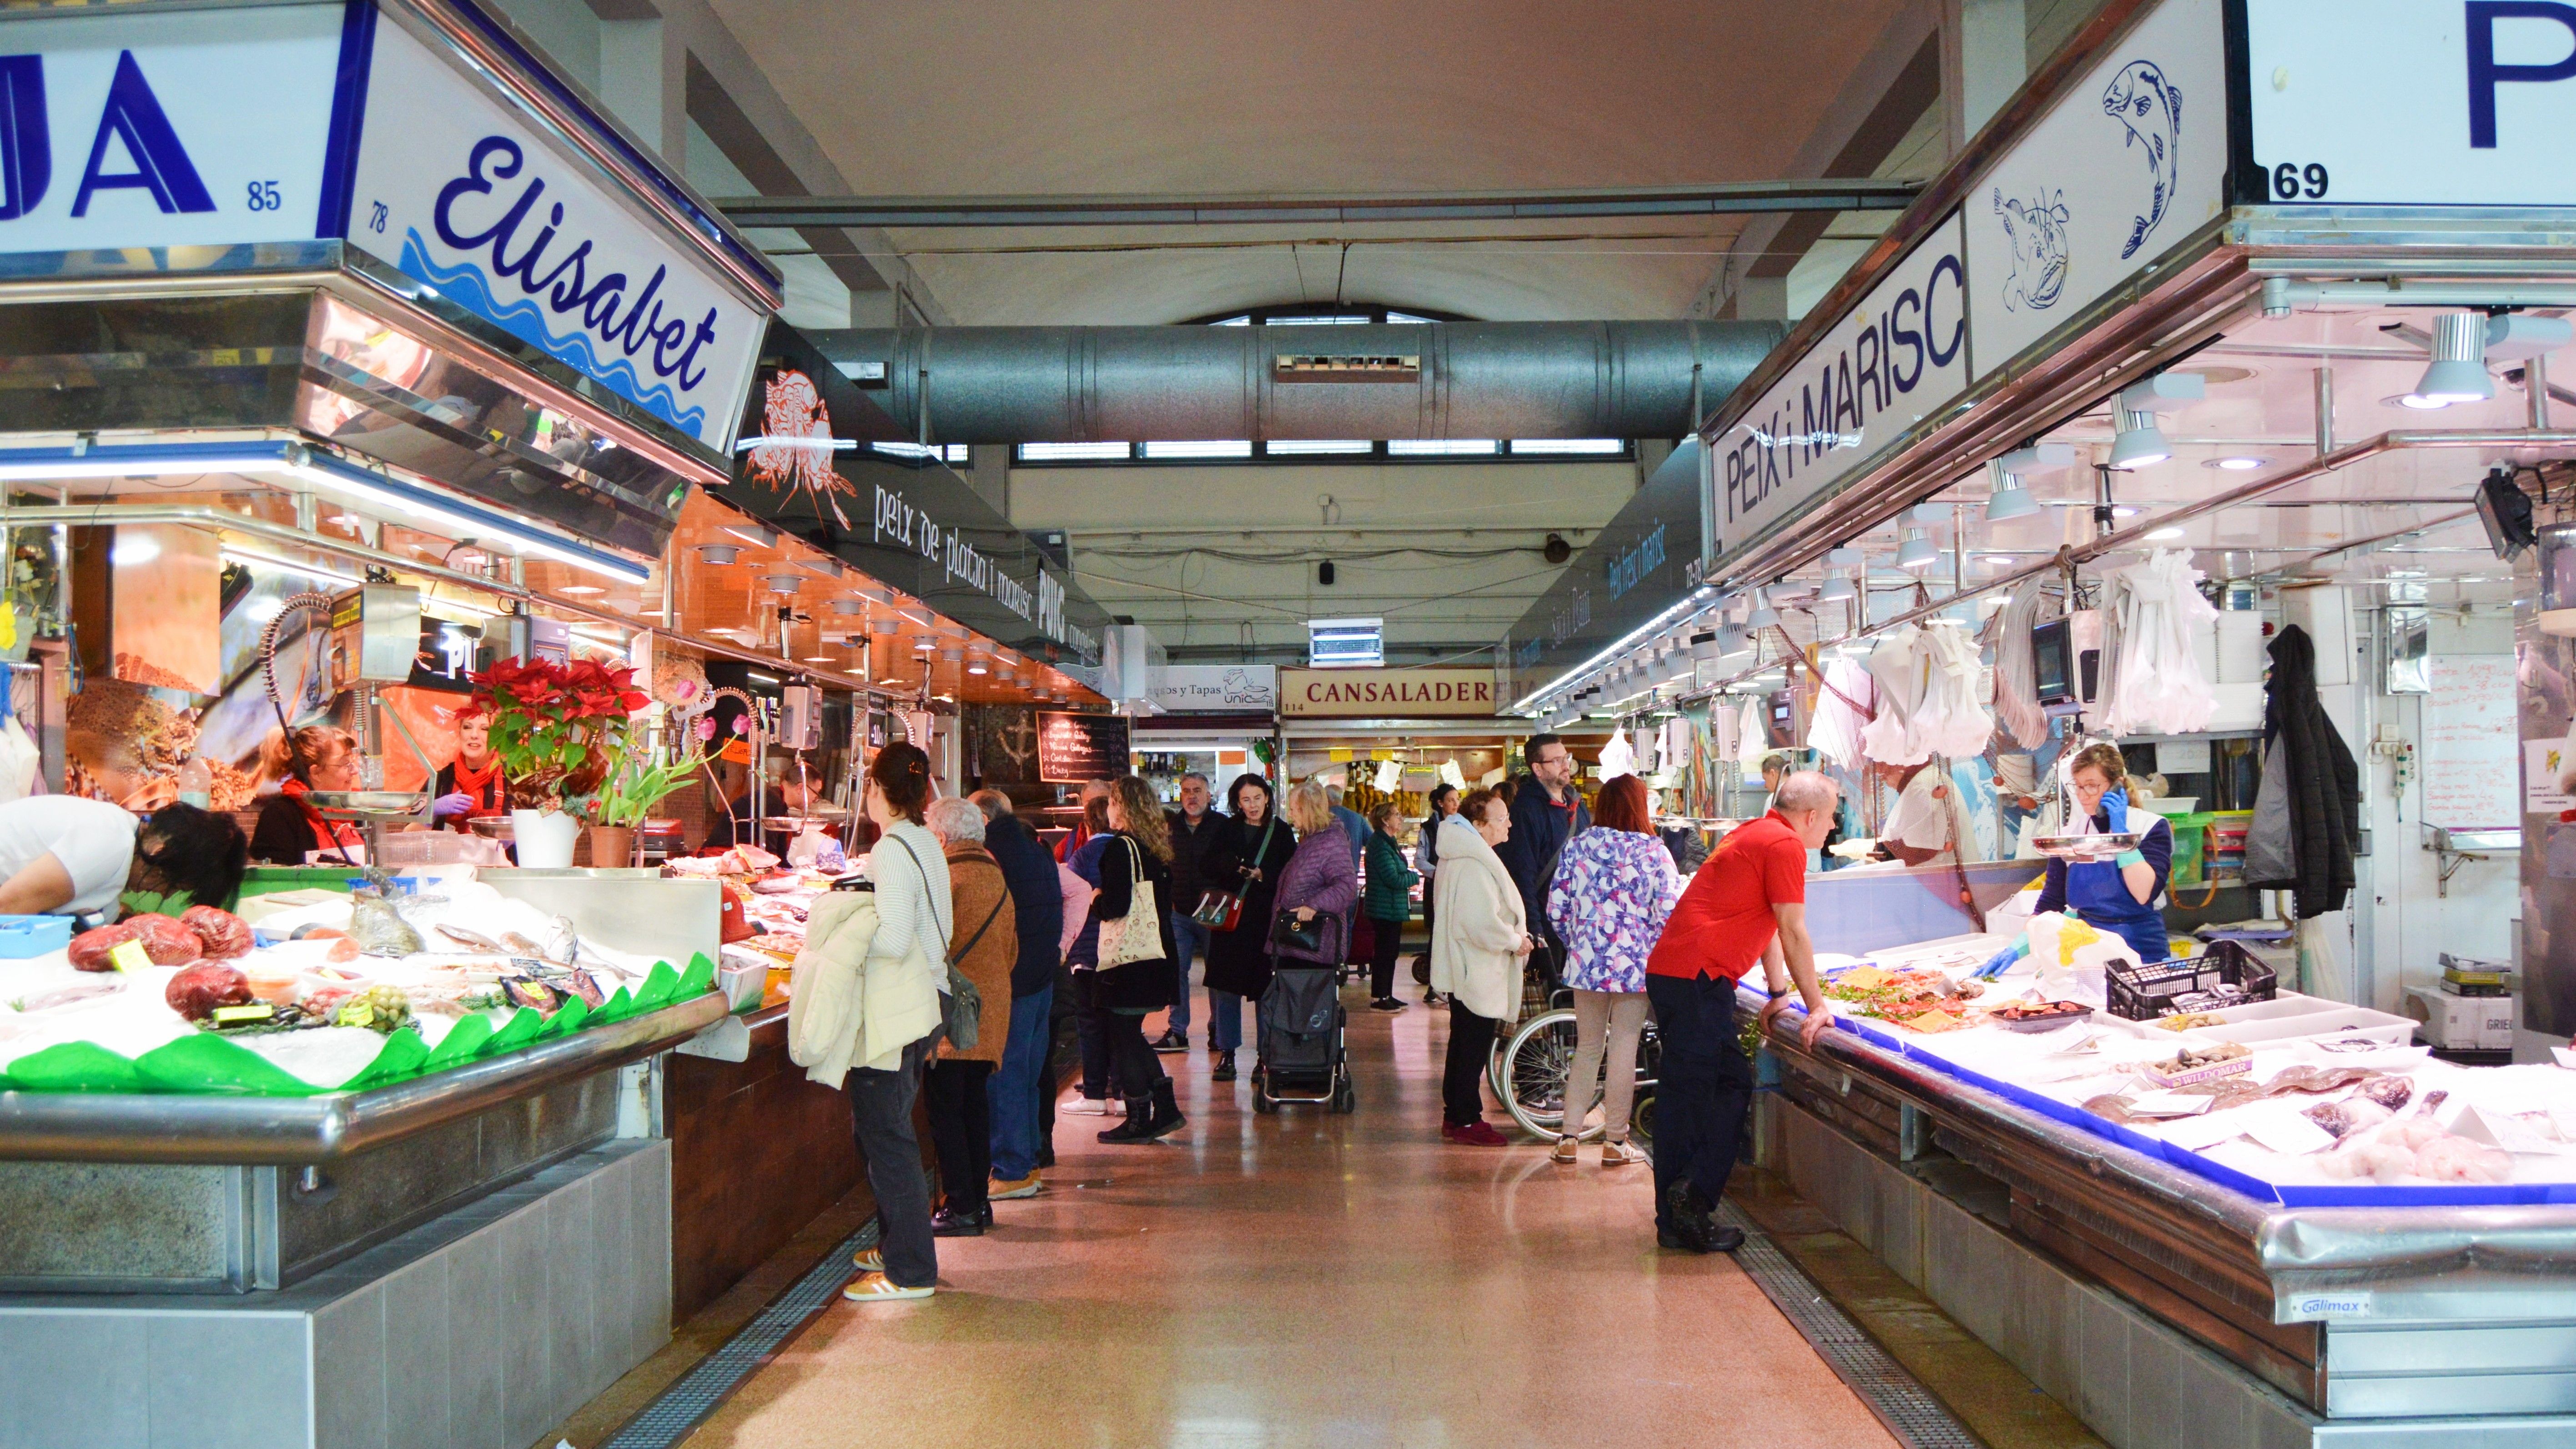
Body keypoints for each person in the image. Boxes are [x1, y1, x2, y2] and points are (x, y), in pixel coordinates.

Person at [1645, 770, 1839, 1255]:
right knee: (1697, 1095)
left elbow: (1769, 923)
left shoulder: (1755, 832)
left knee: (1724, 1082)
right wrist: (1817, 1007)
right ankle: (1682, 1213)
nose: (1833, 828)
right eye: (1832, 817)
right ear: (1812, 816)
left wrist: (1779, 992)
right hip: (1698, 979)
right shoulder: (1785, 845)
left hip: (1683, 975)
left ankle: (1688, 1198)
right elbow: (1794, 930)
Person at [842, 741, 949, 1303]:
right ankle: (898, 1243)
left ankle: (911, 1270)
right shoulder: (927, 841)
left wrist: (843, 927)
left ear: (878, 792)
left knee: (887, 1136)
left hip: (898, 1008)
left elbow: (893, 938)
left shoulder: (889, 850)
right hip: (930, 999)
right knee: (886, 1129)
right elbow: (938, 926)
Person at [1544, 775, 1677, 1166]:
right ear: (1639, 806)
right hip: (1635, 967)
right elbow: (1669, 910)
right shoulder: (1655, 851)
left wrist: (1581, 942)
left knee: (1587, 1048)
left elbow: (1557, 908)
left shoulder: (1578, 846)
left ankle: (1568, 1137)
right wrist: (1646, 941)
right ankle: (1615, 1142)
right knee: (1623, 1046)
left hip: (1586, 965)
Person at [918, 797, 1016, 1237]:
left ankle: (961, 1207)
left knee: (947, 1114)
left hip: (953, 1017)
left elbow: (930, 947)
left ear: (941, 836)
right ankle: (979, 1202)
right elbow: (1011, 949)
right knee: (975, 1109)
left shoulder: (948, 878)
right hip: (989, 1009)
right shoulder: (996, 876)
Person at [970, 790, 1064, 1202]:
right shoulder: (1037, 846)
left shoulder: (991, 856)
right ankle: (1029, 1160)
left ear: (984, 819)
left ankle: (1011, 1168)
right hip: (1042, 977)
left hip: (1012, 980)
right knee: (1027, 1075)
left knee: (1004, 1074)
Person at [1428, 788, 1530, 1147]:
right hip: (1477, 967)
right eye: (1501, 819)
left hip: (1468, 966)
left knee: (1463, 1043)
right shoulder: (1472, 861)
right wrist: (1516, 940)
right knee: (1471, 1045)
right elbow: (1479, 922)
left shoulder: (1465, 855)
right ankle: (1467, 1119)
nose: (1509, 824)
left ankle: (1455, 1114)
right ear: (1479, 825)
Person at [1088, 775, 1186, 1143]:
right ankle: (1165, 1110)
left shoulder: (1120, 848)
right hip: (1155, 956)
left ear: (1122, 806)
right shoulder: (1152, 846)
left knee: (1123, 1038)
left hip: (1129, 965)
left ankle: (1138, 1120)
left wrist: (1096, 897)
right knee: (1132, 1035)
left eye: (1112, 802)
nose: (1109, 809)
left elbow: (1116, 906)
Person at [2032, 742, 2175, 964]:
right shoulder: (2071, 835)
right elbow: (2051, 902)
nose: (2083, 796)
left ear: (2117, 785)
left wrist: (2122, 834)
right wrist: (2016, 948)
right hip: (2089, 949)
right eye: (2078, 786)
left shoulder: (2151, 826)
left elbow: (2144, 893)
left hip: (2142, 951)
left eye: (2092, 786)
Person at [0, 797, 246, 921]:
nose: (164, 895)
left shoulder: (121, 836)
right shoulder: (111, 842)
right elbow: (8, 906)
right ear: (161, 852)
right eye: (176, 887)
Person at [1201, 773, 1293, 1082]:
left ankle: (1264, 1056)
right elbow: (1209, 863)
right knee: (1226, 989)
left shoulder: (1280, 832)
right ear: (1237, 802)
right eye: (1245, 800)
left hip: (1264, 921)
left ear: (1267, 797)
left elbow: (1289, 873)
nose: (1252, 805)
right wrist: (1236, 866)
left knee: (1264, 989)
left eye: (1257, 798)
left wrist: (1262, 875)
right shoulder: (1227, 829)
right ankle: (1227, 1054)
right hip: (1230, 922)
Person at [1495, 733, 1590, 976]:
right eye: (1557, 760)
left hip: (1579, 922)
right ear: (1537, 768)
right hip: (1547, 924)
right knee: (1553, 997)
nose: (1566, 765)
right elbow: (1522, 873)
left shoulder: (1578, 806)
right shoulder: (1525, 811)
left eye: (1566, 757)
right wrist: (1534, 930)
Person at [1157, 771, 1227, 1053]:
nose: (1192, 796)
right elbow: (1161, 866)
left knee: (1217, 975)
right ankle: (1177, 1031)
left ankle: (1218, 1030)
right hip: (1179, 911)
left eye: (1197, 790)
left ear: (1209, 795)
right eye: (1186, 791)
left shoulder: (1223, 827)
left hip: (1213, 909)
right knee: (1176, 972)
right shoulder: (1170, 827)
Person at [1061, 794, 1119, 1116]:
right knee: (1119, 1025)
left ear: (1087, 824)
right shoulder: (1129, 851)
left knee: (1090, 1023)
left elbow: (1070, 899)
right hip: (1121, 952)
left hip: (1087, 950)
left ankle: (1095, 1092)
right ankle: (1125, 1091)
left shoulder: (1082, 857)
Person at [249, 725, 367, 865]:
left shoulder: (359, 813)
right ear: (316, 772)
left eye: (352, 763)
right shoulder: (279, 817)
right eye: (345, 764)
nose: (355, 771)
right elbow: (274, 881)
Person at [1871, 757, 1982, 866]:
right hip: (1941, 878)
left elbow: (1917, 852)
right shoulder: (1923, 780)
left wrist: (1869, 850)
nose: (1881, 775)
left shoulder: (1922, 785)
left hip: (1947, 880)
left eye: (1884, 766)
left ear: (1903, 763)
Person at [1361, 801, 1418, 1013]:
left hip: (1392, 908)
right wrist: (1413, 877)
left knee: (1390, 953)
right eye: (1396, 814)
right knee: (1385, 954)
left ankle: (1387, 994)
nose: (1400, 818)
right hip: (1384, 909)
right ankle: (1378, 997)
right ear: (1385, 820)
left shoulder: (1389, 842)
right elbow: (1393, 878)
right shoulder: (1379, 844)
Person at [1414, 782, 1460, 1005]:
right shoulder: (1428, 828)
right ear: (1440, 803)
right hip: (1436, 887)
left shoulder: (1462, 825)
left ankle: (1452, 984)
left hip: (1458, 887)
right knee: (1437, 934)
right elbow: (1420, 860)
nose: (1456, 804)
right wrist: (1441, 872)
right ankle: (1435, 984)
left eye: (1458, 799)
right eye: (1451, 800)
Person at [431, 702, 507, 829]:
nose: (474, 735)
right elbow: (409, 834)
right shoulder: (442, 779)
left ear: (499, 737)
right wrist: (431, 811)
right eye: (467, 727)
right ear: (460, 733)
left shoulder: (513, 780)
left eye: (485, 729)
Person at [1056, 780, 1111, 861]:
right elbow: (1054, 864)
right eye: (1091, 805)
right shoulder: (1073, 838)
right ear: (1083, 806)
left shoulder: (1123, 838)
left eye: (1102, 804)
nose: (1096, 810)